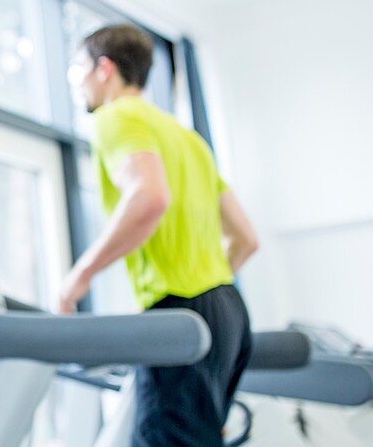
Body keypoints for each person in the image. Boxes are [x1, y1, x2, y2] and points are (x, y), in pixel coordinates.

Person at [59, 24, 259, 446]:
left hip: (179, 316)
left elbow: (149, 198)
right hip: (229, 311)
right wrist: (206, 286)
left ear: (104, 69)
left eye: (78, 69)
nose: (76, 82)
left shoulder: (116, 117)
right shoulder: (186, 137)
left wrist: (80, 275)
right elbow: (246, 239)